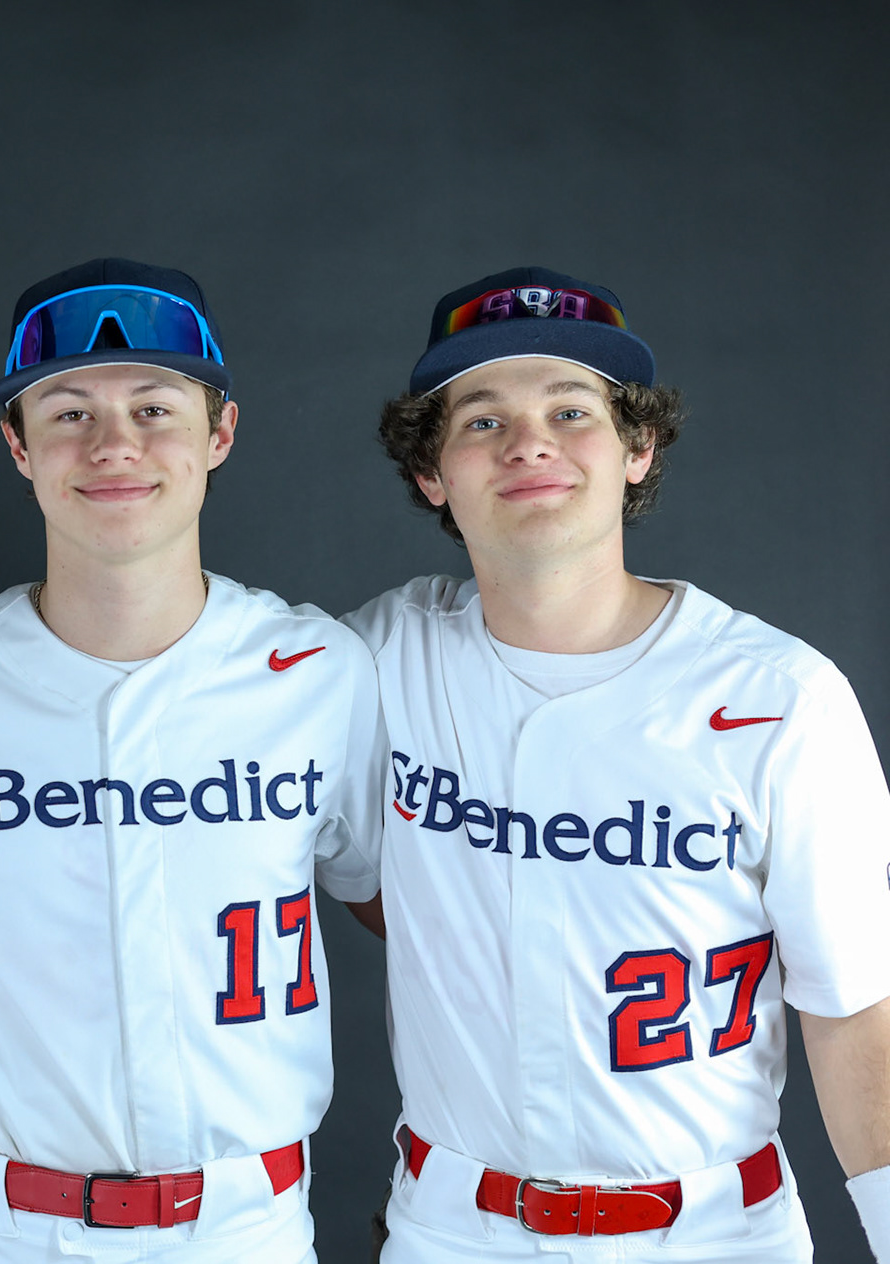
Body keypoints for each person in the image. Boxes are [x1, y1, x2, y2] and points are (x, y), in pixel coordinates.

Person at [345, 266, 890, 1260]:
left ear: (639, 448)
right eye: (482, 420)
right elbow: (361, 874)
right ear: (431, 473)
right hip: (454, 1227)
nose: (530, 443)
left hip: (715, 1232)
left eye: (572, 409)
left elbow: (853, 1007)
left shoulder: (781, 697)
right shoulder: (378, 657)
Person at [0, 258, 385, 1263]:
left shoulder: (320, 671)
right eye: (69, 413)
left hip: (243, 1226)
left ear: (220, 433)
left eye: (154, 408)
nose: (113, 445)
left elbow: (396, 897)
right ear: (17, 445)